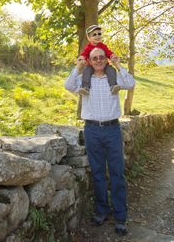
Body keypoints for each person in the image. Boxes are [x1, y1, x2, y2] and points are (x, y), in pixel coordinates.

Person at [65, 47, 135, 236]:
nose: (98, 60)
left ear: (106, 59)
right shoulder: (83, 79)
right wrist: (78, 67)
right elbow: (68, 86)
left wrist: (119, 64)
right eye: (94, 58)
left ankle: (120, 217)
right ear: (90, 60)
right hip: (92, 130)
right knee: (97, 173)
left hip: (113, 129)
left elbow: (131, 83)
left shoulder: (114, 77)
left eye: (101, 57)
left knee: (117, 173)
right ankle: (102, 211)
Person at [79, 24, 120, 96]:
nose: (97, 36)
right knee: (86, 71)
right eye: (94, 34)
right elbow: (84, 54)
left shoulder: (103, 46)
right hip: (92, 66)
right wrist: (82, 58)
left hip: (104, 65)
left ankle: (113, 86)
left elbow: (108, 52)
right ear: (89, 38)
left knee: (111, 70)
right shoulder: (88, 47)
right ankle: (85, 88)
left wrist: (112, 56)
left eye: (99, 34)